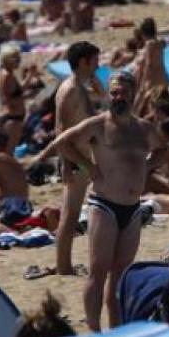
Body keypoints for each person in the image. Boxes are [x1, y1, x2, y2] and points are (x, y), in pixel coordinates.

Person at [55, 71, 163, 331]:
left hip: (133, 208)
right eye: (113, 93)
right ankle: (94, 329)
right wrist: (86, 166)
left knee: (122, 273)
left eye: (123, 93)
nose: (118, 97)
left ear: (133, 94)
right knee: (98, 269)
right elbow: (63, 142)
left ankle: (116, 328)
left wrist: (147, 168)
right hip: (104, 205)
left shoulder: (144, 128)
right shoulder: (98, 124)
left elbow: (162, 149)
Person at [30, 41, 102, 277]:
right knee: (70, 214)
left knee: (71, 213)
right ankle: (63, 266)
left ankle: (65, 265)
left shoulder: (78, 87)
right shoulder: (71, 89)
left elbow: (100, 102)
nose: (98, 66)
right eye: (94, 61)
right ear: (83, 62)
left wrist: (97, 85)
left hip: (79, 159)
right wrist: (81, 164)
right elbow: (61, 133)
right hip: (76, 160)